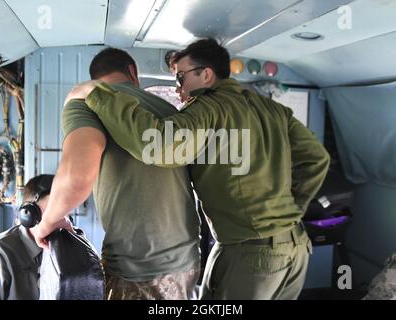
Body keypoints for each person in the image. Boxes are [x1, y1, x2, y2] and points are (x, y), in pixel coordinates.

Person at [57, 38, 330, 300]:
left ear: (206, 75)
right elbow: (317, 159)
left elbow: (159, 147)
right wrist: (291, 209)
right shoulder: (273, 109)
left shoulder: (210, 107)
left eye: (181, 78)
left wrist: (96, 94)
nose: (178, 89)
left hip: (251, 253)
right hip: (297, 248)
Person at [32, 48, 200, 300]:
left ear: (95, 78)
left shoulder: (83, 101)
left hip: (139, 269)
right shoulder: (167, 108)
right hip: (187, 262)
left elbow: (77, 174)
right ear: (132, 72)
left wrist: (48, 221)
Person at [0, 174, 68, 300]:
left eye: (64, 209)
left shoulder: (66, 245)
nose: (61, 217)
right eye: (53, 210)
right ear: (28, 214)